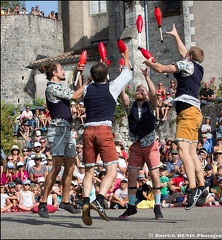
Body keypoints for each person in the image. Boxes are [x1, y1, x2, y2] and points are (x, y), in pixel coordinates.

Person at [144, 23, 208, 210]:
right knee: (192, 153)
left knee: (182, 152)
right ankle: (203, 186)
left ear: (189, 56)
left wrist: (149, 62)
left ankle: (193, 188)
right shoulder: (197, 67)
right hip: (195, 112)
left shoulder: (186, 64)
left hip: (187, 112)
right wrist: (176, 36)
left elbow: (162, 69)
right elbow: (185, 53)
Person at [81, 47, 132, 226]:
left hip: (87, 131)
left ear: (92, 76)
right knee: (112, 170)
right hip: (103, 129)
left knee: (89, 170)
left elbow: (81, 87)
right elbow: (128, 72)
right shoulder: (112, 87)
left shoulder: (87, 90)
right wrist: (125, 55)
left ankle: (86, 201)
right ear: (106, 76)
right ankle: (99, 200)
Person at [37, 61, 90, 218]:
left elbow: (75, 92)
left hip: (67, 129)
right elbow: (75, 95)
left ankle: (65, 201)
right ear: (54, 72)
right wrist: (87, 81)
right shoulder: (52, 87)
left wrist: (80, 74)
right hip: (58, 130)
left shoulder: (59, 87)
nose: (63, 71)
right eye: (61, 69)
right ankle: (42, 202)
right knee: (56, 167)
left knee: (71, 166)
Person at [118, 66, 163, 220]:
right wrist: (123, 78)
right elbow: (123, 95)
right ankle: (131, 206)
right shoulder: (130, 105)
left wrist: (147, 77)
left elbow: (153, 93)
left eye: (142, 91)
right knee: (131, 175)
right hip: (136, 144)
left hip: (150, 143)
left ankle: (157, 206)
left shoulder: (150, 105)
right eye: (138, 91)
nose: (140, 92)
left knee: (155, 175)